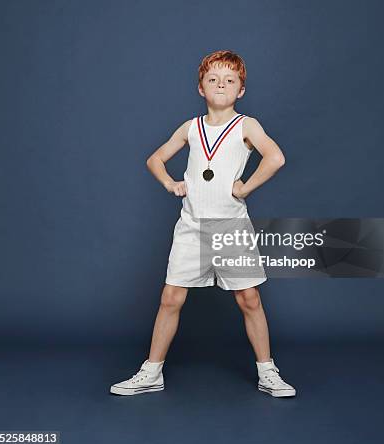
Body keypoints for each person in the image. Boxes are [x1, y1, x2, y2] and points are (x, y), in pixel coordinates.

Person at [110, 50, 296, 398]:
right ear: (201, 88)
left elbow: (276, 157)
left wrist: (245, 187)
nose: (221, 84)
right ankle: (151, 373)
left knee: (249, 299)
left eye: (230, 80)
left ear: (241, 89)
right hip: (192, 226)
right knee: (171, 297)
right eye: (213, 79)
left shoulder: (246, 125)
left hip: (231, 227)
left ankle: (268, 372)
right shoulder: (190, 128)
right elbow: (155, 159)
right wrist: (170, 183)